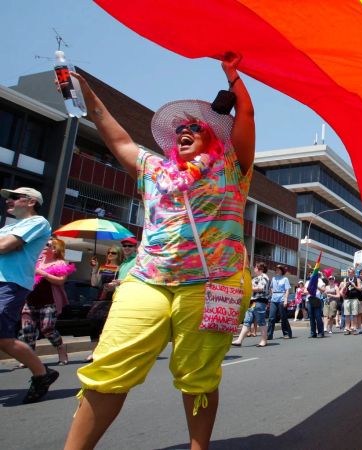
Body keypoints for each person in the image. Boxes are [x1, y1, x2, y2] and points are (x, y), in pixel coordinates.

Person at [65, 52, 254, 450]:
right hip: (149, 279)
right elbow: (115, 137)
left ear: (213, 138)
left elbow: (247, 119)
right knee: (109, 367)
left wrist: (233, 80)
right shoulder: (153, 169)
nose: (183, 131)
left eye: (193, 127)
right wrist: (86, 95)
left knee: (198, 374)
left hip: (214, 284)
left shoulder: (233, 168)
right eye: (179, 128)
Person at [0, 187, 59, 403]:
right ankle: (43, 373)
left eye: (14, 197)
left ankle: (42, 373)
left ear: (30, 201)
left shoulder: (38, 222)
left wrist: (8, 245)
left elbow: (4, 247)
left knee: (4, 338)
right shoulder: (12, 226)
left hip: (10, 283)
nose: (9, 201)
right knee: (4, 339)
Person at [20, 237, 75, 365]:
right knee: (27, 331)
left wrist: (43, 274)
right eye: (44, 244)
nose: (44, 246)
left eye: (48, 245)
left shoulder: (61, 263)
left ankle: (61, 350)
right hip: (30, 300)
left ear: (55, 249)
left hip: (49, 302)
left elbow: (61, 281)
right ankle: (29, 358)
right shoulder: (37, 261)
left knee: (47, 328)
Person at [233, 262, 270, 347]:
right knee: (247, 321)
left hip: (259, 301)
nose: (254, 269)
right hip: (253, 301)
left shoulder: (263, 277)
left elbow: (261, 288)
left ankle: (264, 340)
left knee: (261, 321)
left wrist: (249, 288)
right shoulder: (258, 277)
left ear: (260, 269)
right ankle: (239, 340)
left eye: (256, 268)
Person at [268, 265, 292, 340]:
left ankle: (287, 333)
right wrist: (272, 294)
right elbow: (271, 287)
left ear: (282, 271)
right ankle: (269, 335)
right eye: (276, 270)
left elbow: (287, 290)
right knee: (271, 317)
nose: (277, 271)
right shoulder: (273, 278)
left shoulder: (285, 279)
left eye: (278, 270)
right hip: (274, 299)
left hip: (282, 298)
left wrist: (285, 300)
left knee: (283, 317)